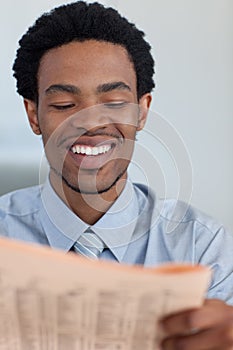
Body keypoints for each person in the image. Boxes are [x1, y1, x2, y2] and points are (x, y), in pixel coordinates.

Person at [0, 1, 233, 349]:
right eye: (65, 105)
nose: (91, 123)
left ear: (142, 111)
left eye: (113, 102)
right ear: (34, 115)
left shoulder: (205, 248)